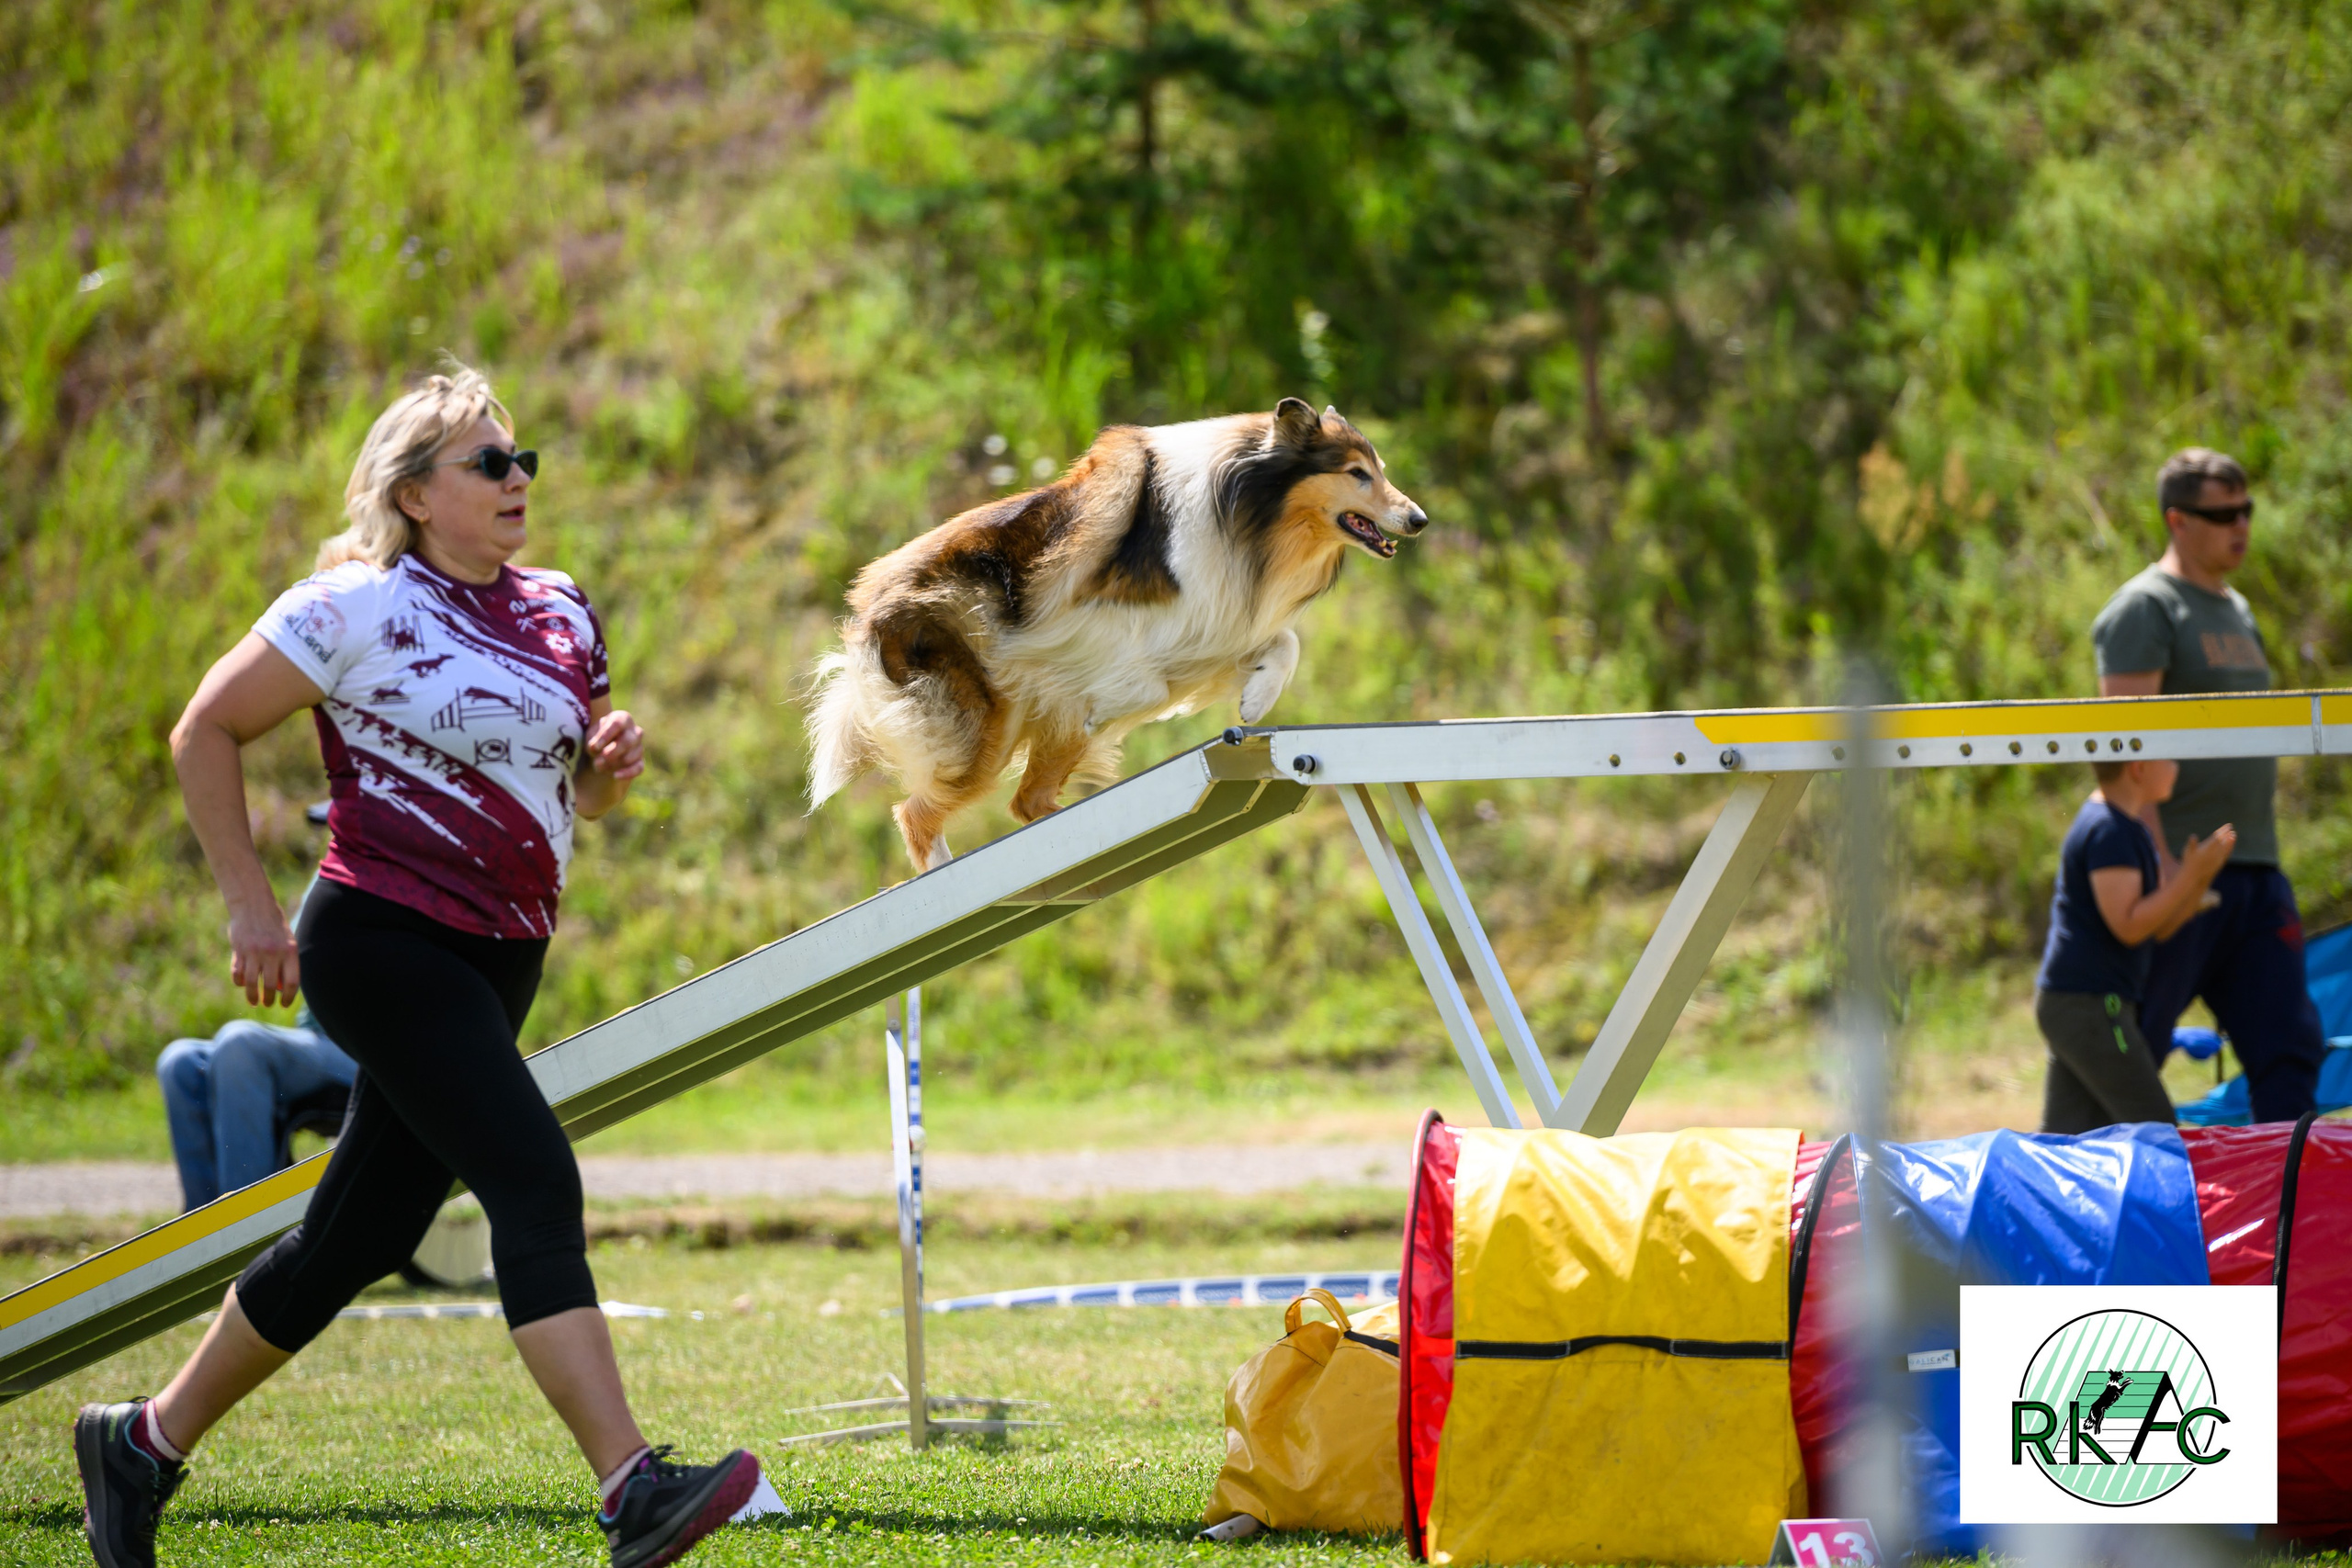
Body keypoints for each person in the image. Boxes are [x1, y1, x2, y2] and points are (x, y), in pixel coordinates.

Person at [74, 366, 757, 1568]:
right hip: (380, 941)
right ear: (414, 492)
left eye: (522, 458)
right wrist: (248, 907)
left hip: (505, 956)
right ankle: (631, 1484)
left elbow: (580, 793)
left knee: (351, 1239)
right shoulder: (349, 608)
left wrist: (608, 761)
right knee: (534, 1179)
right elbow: (206, 729)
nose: (517, 480)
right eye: (488, 463)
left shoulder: (561, 607)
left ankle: (141, 1441)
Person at [2091, 447, 2326, 1122]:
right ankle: (2096, 1197)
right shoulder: (2145, 609)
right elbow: (2123, 750)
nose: (2240, 525)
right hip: (2179, 871)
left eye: (2245, 510)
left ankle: (2288, 1203)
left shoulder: (2239, 610)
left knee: (2290, 1048)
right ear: (2177, 520)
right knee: (2132, 1050)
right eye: (2222, 513)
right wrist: (2160, 869)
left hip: (2253, 866)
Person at [2035, 758, 2235, 1133]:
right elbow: (2128, 925)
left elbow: (2157, 928)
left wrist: (2197, 881)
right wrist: (2189, 874)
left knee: (2065, 1139)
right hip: (2089, 1004)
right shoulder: (2108, 829)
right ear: (2138, 767)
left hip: (2080, 1005)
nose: (2178, 767)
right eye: (2170, 759)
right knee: (2155, 1130)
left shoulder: (2130, 828)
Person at [155, 1008, 356, 1210]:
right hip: (315, 1036)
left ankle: (246, 1220)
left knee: (240, 1046)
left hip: (363, 1046)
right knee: (181, 1062)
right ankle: (200, 1229)